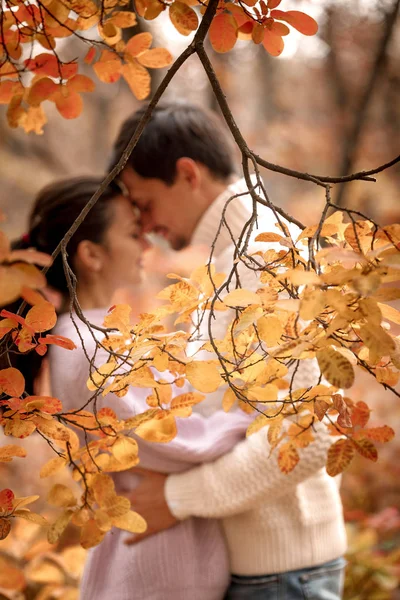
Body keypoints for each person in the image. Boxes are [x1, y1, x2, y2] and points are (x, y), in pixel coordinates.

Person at [111, 102, 348, 599]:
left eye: (145, 203)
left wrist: (175, 498)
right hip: (260, 568)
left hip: (284, 574)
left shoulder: (263, 255)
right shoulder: (226, 259)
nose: (146, 225)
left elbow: (308, 437)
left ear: (187, 174)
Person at [17, 176, 254, 600]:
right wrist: (249, 417)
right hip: (158, 564)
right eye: (131, 234)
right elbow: (176, 440)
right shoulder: (93, 344)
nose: (146, 244)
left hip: (145, 551)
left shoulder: (80, 335)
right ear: (91, 254)